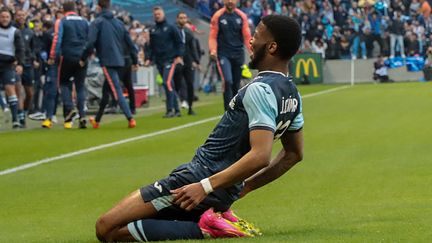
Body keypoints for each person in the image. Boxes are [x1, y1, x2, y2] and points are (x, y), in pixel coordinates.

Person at [95, 15, 304, 242]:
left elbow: (260, 155)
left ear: (272, 47)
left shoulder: (260, 89)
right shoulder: (292, 93)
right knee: (142, 221)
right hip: (221, 190)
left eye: (255, 37)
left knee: (107, 228)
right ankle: (211, 218)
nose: (250, 42)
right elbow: (294, 154)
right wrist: (245, 187)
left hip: (198, 180)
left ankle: (206, 229)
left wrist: (204, 186)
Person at [82, 0, 137, 129]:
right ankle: (97, 120)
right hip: (121, 60)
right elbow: (130, 43)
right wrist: (135, 61)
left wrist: (83, 57)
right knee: (106, 90)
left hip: (108, 61)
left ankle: (130, 118)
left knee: (116, 90)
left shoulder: (97, 23)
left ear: (99, 8)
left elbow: (90, 43)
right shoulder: (119, 23)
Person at [48, 0, 89, 129]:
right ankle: (82, 115)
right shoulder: (84, 21)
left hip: (68, 56)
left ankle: (70, 107)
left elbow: (57, 39)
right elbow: (90, 40)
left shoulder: (62, 21)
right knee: (80, 86)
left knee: (64, 83)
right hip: (82, 56)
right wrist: (86, 56)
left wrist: (52, 56)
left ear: (63, 10)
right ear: (75, 9)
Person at [209, 0, 252, 111]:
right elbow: (213, 36)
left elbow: (247, 36)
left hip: (238, 54)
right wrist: (213, 50)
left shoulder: (241, 16)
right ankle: (227, 109)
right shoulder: (218, 16)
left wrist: (252, 51)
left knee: (236, 83)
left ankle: (235, 107)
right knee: (227, 80)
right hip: (223, 54)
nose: (230, 1)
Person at [144, 6, 183, 118]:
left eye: (159, 14)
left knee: (167, 83)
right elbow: (151, 47)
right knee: (169, 85)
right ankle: (177, 110)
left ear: (163, 14)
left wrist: (179, 56)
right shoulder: (153, 30)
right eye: (155, 14)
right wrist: (148, 58)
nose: (157, 16)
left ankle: (170, 109)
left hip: (170, 60)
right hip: (159, 61)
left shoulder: (171, 27)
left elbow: (179, 42)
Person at [0, 8, 24, 129]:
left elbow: (20, 49)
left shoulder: (15, 31)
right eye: (2, 17)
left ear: (10, 18)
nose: (4, 19)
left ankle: (15, 119)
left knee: (10, 90)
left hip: (8, 64)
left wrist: (20, 64)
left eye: (6, 17)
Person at [14, 9, 37, 128]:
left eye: (22, 15)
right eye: (18, 15)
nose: (21, 17)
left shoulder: (30, 31)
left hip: (28, 64)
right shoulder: (11, 30)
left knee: (30, 93)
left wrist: (34, 59)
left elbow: (33, 48)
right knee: (19, 91)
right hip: (15, 64)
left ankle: (25, 111)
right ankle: (20, 116)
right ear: (15, 16)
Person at [175, 12, 201, 115]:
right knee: (177, 84)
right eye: (181, 18)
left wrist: (197, 61)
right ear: (177, 19)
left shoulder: (189, 32)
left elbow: (193, 48)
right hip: (177, 61)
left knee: (190, 83)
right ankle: (177, 107)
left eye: (184, 18)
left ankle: (190, 107)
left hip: (188, 61)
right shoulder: (174, 31)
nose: (183, 20)